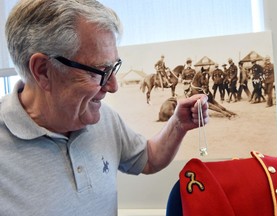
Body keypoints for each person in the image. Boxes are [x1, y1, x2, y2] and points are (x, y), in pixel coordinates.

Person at [1, 0, 209, 215]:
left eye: (113, 67)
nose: (113, 86)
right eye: (99, 71)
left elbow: (147, 158)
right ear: (43, 71)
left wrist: (177, 125)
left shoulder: (104, 118)